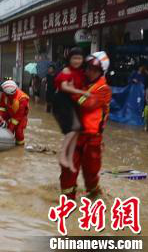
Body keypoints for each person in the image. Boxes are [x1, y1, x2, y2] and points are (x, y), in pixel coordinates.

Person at [60, 52, 112, 200]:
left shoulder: (103, 89)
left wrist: (71, 93)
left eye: (93, 70)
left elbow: (87, 104)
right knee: (68, 170)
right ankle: (67, 200)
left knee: (90, 172)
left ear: (101, 72)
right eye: (88, 68)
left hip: (92, 138)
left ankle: (94, 195)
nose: (89, 72)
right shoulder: (82, 82)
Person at [53, 48, 90, 173]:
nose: (77, 61)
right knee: (71, 129)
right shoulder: (66, 70)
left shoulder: (81, 72)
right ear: (69, 59)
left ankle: (69, 159)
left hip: (72, 101)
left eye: (79, 58)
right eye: (74, 58)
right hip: (61, 100)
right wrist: (82, 92)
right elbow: (64, 87)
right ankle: (62, 156)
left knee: (78, 128)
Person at [0, 80, 30, 145]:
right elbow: (2, 106)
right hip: (10, 111)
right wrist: (0, 116)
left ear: (8, 94)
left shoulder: (22, 99)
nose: (2, 93)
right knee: (0, 123)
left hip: (21, 116)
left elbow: (18, 116)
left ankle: (19, 147)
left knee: (18, 132)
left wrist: (10, 128)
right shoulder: (5, 93)